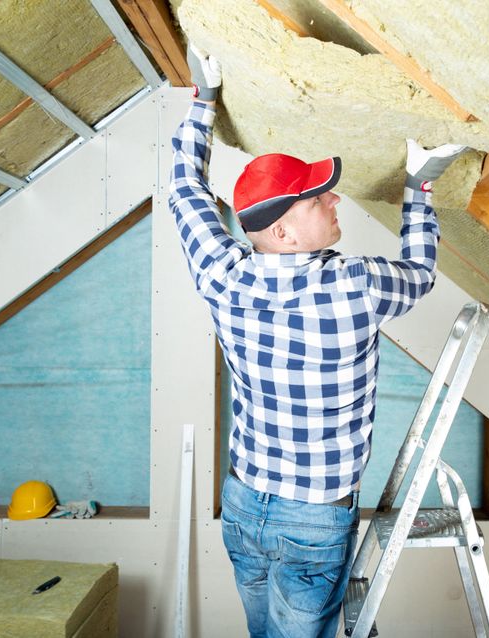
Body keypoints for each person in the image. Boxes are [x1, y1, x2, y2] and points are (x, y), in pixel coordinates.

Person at [170, 44, 466, 638]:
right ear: (281, 231)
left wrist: (203, 100)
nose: (335, 199)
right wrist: (421, 188)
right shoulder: (356, 286)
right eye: (317, 197)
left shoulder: (220, 273)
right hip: (313, 520)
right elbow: (421, 272)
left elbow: (184, 190)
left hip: (244, 505)